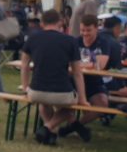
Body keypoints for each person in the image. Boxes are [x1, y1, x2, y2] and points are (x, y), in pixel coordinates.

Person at [20, 9, 89, 145]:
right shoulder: (70, 40)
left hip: (36, 92)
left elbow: (24, 65)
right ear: (60, 22)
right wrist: (82, 98)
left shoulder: (32, 38)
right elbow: (77, 73)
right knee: (70, 107)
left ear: (42, 23)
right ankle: (48, 127)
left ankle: (51, 134)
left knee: (44, 102)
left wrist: (25, 87)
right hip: (62, 93)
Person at [59, 15, 110, 142]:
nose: (85, 33)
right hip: (73, 81)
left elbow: (101, 65)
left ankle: (73, 127)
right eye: (82, 30)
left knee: (102, 105)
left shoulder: (103, 42)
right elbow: (67, 62)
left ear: (96, 28)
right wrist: (89, 64)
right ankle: (76, 126)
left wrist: (79, 64)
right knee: (58, 99)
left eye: (88, 30)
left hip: (94, 81)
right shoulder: (75, 41)